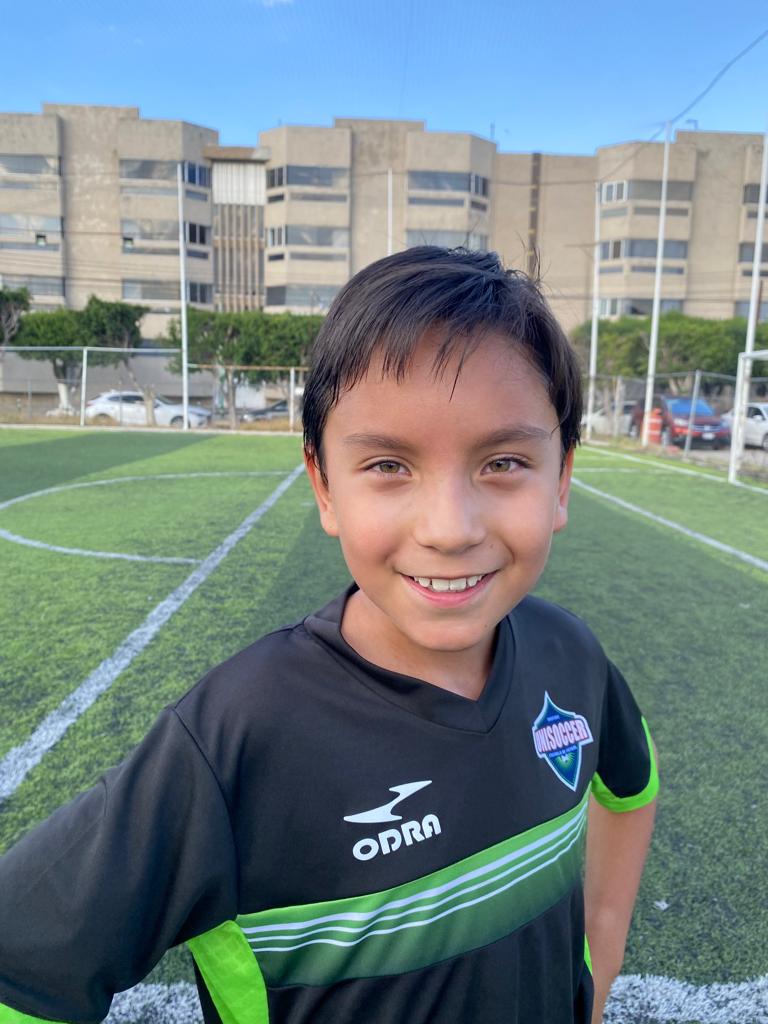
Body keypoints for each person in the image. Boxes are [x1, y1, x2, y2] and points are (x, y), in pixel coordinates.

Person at [0, 247, 658, 1024]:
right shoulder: (238, 739)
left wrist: (600, 953)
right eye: (388, 465)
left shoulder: (570, 654)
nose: (450, 529)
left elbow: (631, 788)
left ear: (562, 480)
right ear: (323, 486)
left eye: (504, 461)